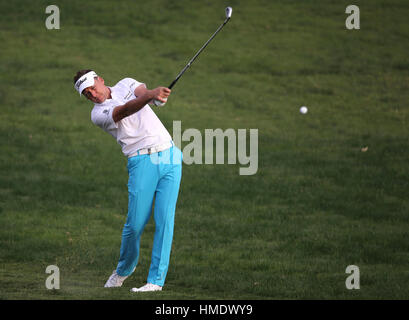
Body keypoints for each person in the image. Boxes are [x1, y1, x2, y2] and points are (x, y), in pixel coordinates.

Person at [73, 70, 183, 292]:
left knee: (165, 221)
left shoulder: (126, 83)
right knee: (135, 224)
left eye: (93, 87)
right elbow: (124, 110)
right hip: (141, 161)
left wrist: (154, 96)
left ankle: (155, 281)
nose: (92, 94)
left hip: (170, 155)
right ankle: (124, 270)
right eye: (86, 94)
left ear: (101, 80)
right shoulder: (98, 114)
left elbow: (141, 92)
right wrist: (151, 95)